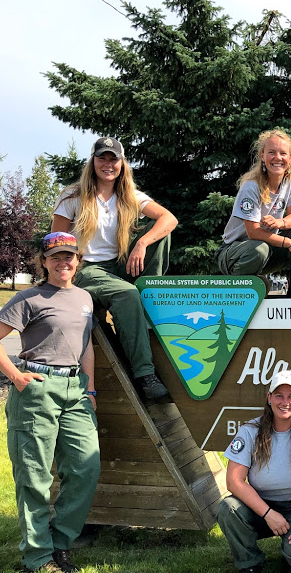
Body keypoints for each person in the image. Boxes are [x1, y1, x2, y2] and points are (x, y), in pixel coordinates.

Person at [0, 232, 100, 573]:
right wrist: (16, 376)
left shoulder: (85, 298)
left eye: (69, 256)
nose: (64, 262)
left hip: (75, 390)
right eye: (56, 257)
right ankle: (37, 556)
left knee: (85, 468)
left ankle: (59, 543)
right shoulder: (29, 298)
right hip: (36, 389)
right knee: (34, 476)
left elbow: (86, 344)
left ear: (78, 261)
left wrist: (89, 389)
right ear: (44, 262)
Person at [52, 136, 177, 400]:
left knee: (160, 234)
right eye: (102, 158)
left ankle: (149, 298)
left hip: (119, 264)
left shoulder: (129, 195)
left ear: (122, 164)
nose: (107, 164)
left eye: (113, 159)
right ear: (93, 161)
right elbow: (56, 242)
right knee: (127, 294)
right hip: (86, 269)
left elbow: (169, 218)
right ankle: (145, 376)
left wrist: (142, 242)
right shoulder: (73, 196)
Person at [217, 371, 291, 573]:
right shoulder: (250, 430)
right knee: (229, 508)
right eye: (279, 395)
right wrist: (269, 513)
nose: (285, 402)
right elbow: (234, 481)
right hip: (260, 505)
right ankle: (249, 564)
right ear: (269, 398)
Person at [216, 129, 291, 298]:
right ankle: (238, 287)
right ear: (262, 156)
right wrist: (290, 244)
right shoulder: (251, 186)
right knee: (259, 249)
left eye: (283, 153)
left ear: (290, 158)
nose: (278, 157)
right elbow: (253, 232)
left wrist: (281, 223)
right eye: (271, 152)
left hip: (266, 250)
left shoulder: (290, 181)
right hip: (237, 253)